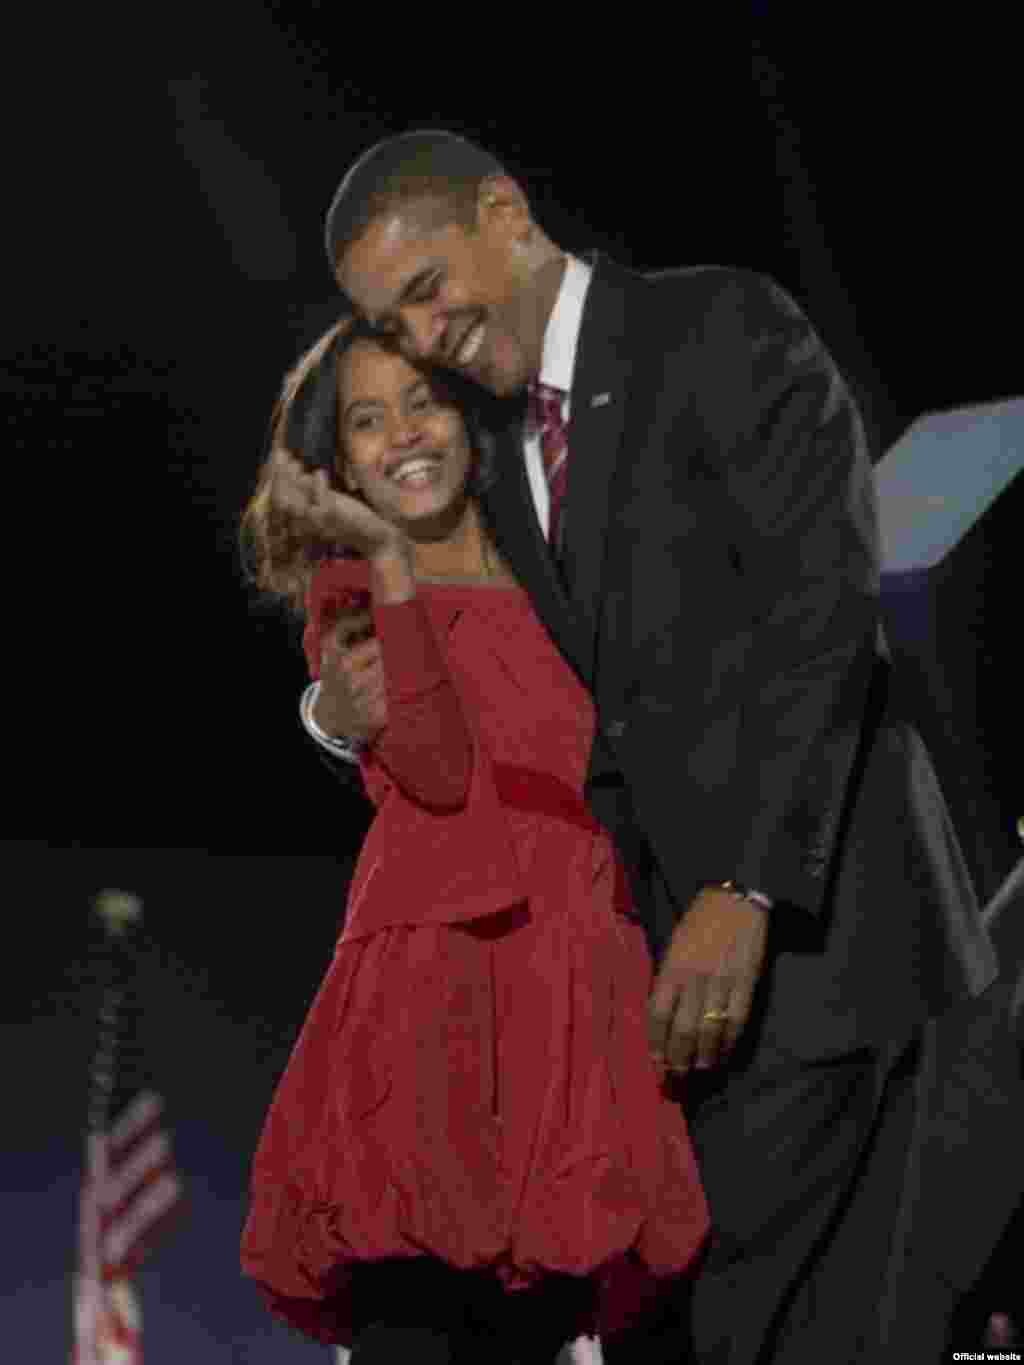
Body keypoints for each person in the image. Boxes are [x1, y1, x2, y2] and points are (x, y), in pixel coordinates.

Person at [288, 130, 1000, 1362]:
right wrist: (332, 716)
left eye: (423, 290)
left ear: (504, 213)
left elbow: (821, 612)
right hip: (677, 1006)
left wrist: (745, 884)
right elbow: (488, 704)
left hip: (831, 947)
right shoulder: (494, 450)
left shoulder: (716, 329)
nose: (420, 334)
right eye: (389, 326)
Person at [238, 319, 710, 1365]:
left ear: (471, 415)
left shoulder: (563, 567)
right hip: (429, 992)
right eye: (368, 419)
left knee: (537, 1319)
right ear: (337, 461)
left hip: (572, 974)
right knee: (413, 1315)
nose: (404, 434)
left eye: (424, 401)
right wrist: (388, 561)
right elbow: (440, 770)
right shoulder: (352, 593)